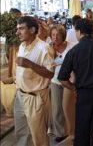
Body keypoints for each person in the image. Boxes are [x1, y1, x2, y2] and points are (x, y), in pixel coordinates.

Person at [14, 16, 54, 146]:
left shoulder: (44, 48)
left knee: (39, 137)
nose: (17, 32)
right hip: (20, 95)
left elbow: (50, 74)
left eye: (21, 29)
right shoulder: (22, 45)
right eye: (17, 29)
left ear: (32, 30)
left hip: (35, 97)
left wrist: (29, 64)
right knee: (21, 134)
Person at [49, 25, 74, 143]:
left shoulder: (71, 47)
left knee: (69, 108)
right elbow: (48, 65)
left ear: (63, 36)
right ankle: (60, 132)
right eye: (53, 35)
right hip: (55, 81)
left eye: (58, 35)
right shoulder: (49, 48)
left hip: (69, 81)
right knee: (57, 109)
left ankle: (72, 131)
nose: (55, 37)